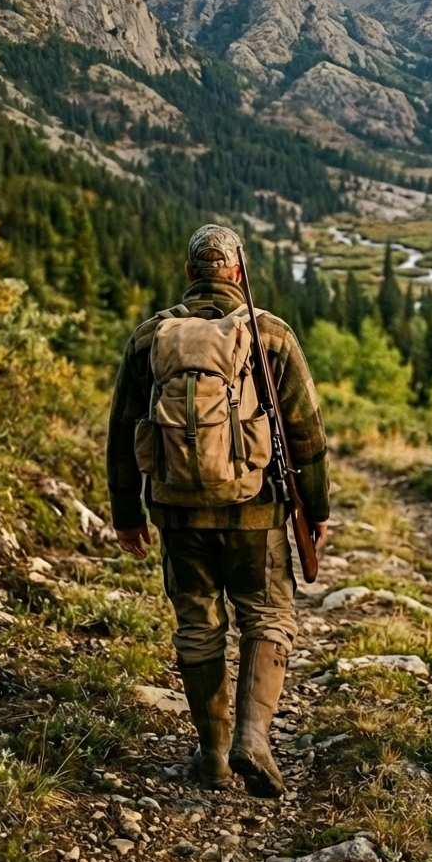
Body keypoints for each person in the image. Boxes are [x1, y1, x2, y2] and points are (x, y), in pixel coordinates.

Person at [106, 224, 328, 796]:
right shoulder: (269, 333)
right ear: (238, 271)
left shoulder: (151, 337)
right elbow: (306, 434)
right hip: (255, 510)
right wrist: (316, 508)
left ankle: (212, 756)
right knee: (268, 616)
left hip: (177, 512)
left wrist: (127, 513)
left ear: (189, 273)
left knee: (198, 626)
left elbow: (122, 432)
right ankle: (253, 737)